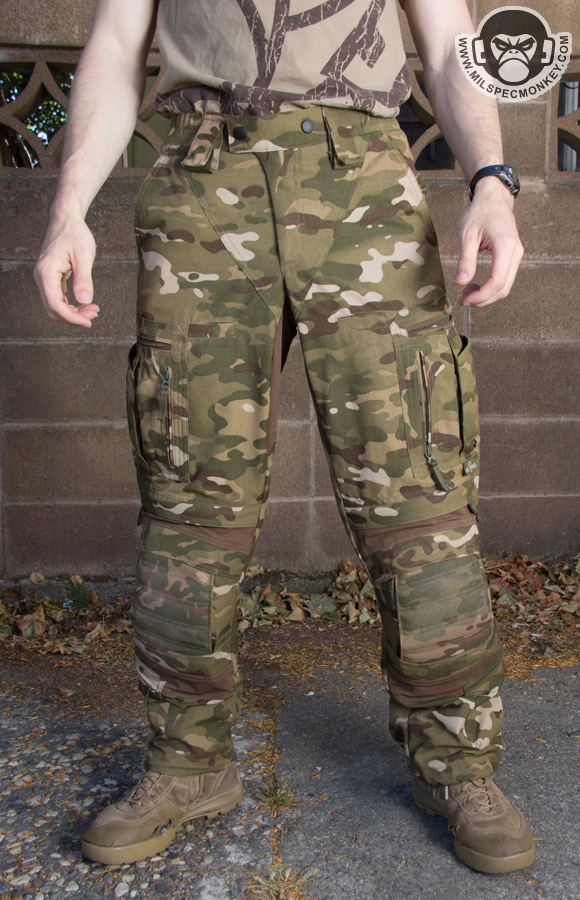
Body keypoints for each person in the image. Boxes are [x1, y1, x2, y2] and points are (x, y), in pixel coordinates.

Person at [34, 0, 533, 876]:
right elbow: (115, 44)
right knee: (189, 497)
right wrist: (68, 208)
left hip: (364, 186)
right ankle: (188, 762)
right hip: (201, 186)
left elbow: (452, 41)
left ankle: (458, 766)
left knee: (417, 496)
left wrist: (492, 178)